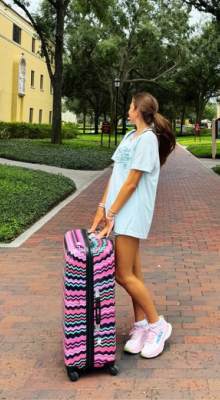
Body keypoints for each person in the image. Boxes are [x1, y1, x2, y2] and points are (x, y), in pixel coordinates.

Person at [90, 92, 177, 359]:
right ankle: (140, 327)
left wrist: (112, 213)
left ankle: (158, 325)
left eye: (130, 107)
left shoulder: (148, 139)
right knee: (133, 275)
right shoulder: (130, 137)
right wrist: (101, 209)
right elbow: (116, 175)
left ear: (138, 110)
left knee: (121, 274)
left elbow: (132, 182)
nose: (127, 110)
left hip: (132, 212)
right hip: (119, 211)